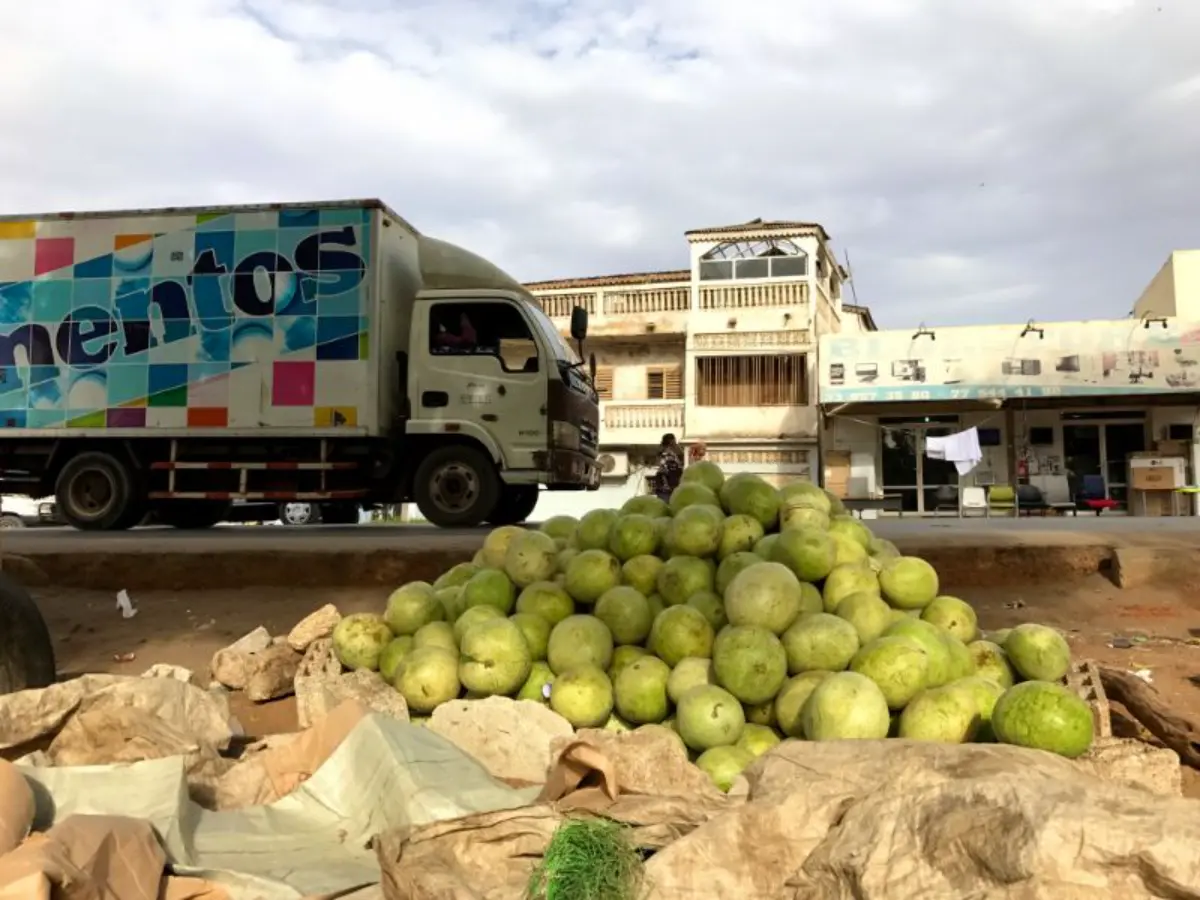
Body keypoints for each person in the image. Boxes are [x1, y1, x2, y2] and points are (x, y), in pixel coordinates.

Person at [654, 433, 684, 501]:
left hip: (672, 485)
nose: (675, 443)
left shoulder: (673, 453)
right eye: (674, 441)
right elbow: (662, 470)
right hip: (667, 488)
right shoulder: (665, 454)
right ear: (671, 441)